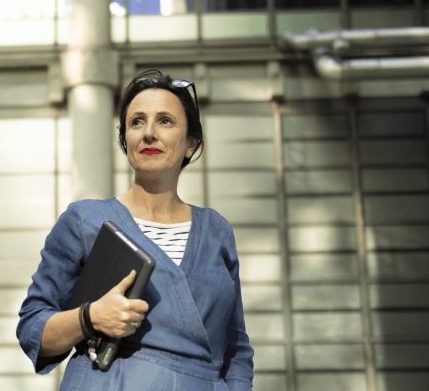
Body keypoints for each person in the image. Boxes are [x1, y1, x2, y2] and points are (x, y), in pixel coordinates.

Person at [17, 70, 254, 390]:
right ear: (125, 140)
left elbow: (235, 349)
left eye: (165, 121)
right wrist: (90, 318)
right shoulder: (86, 220)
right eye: (137, 122)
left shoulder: (216, 232)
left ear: (190, 144)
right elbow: (34, 328)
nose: (149, 133)